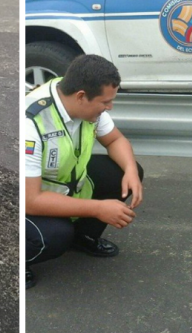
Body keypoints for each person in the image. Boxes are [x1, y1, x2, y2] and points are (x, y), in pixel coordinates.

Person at [24, 54, 144, 289]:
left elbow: (115, 140)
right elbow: (31, 200)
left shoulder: (83, 99)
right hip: (30, 202)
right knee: (55, 236)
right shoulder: (32, 122)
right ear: (81, 97)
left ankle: (82, 236)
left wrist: (130, 170)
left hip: (65, 187)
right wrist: (99, 208)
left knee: (124, 173)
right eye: (105, 102)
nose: (109, 107)